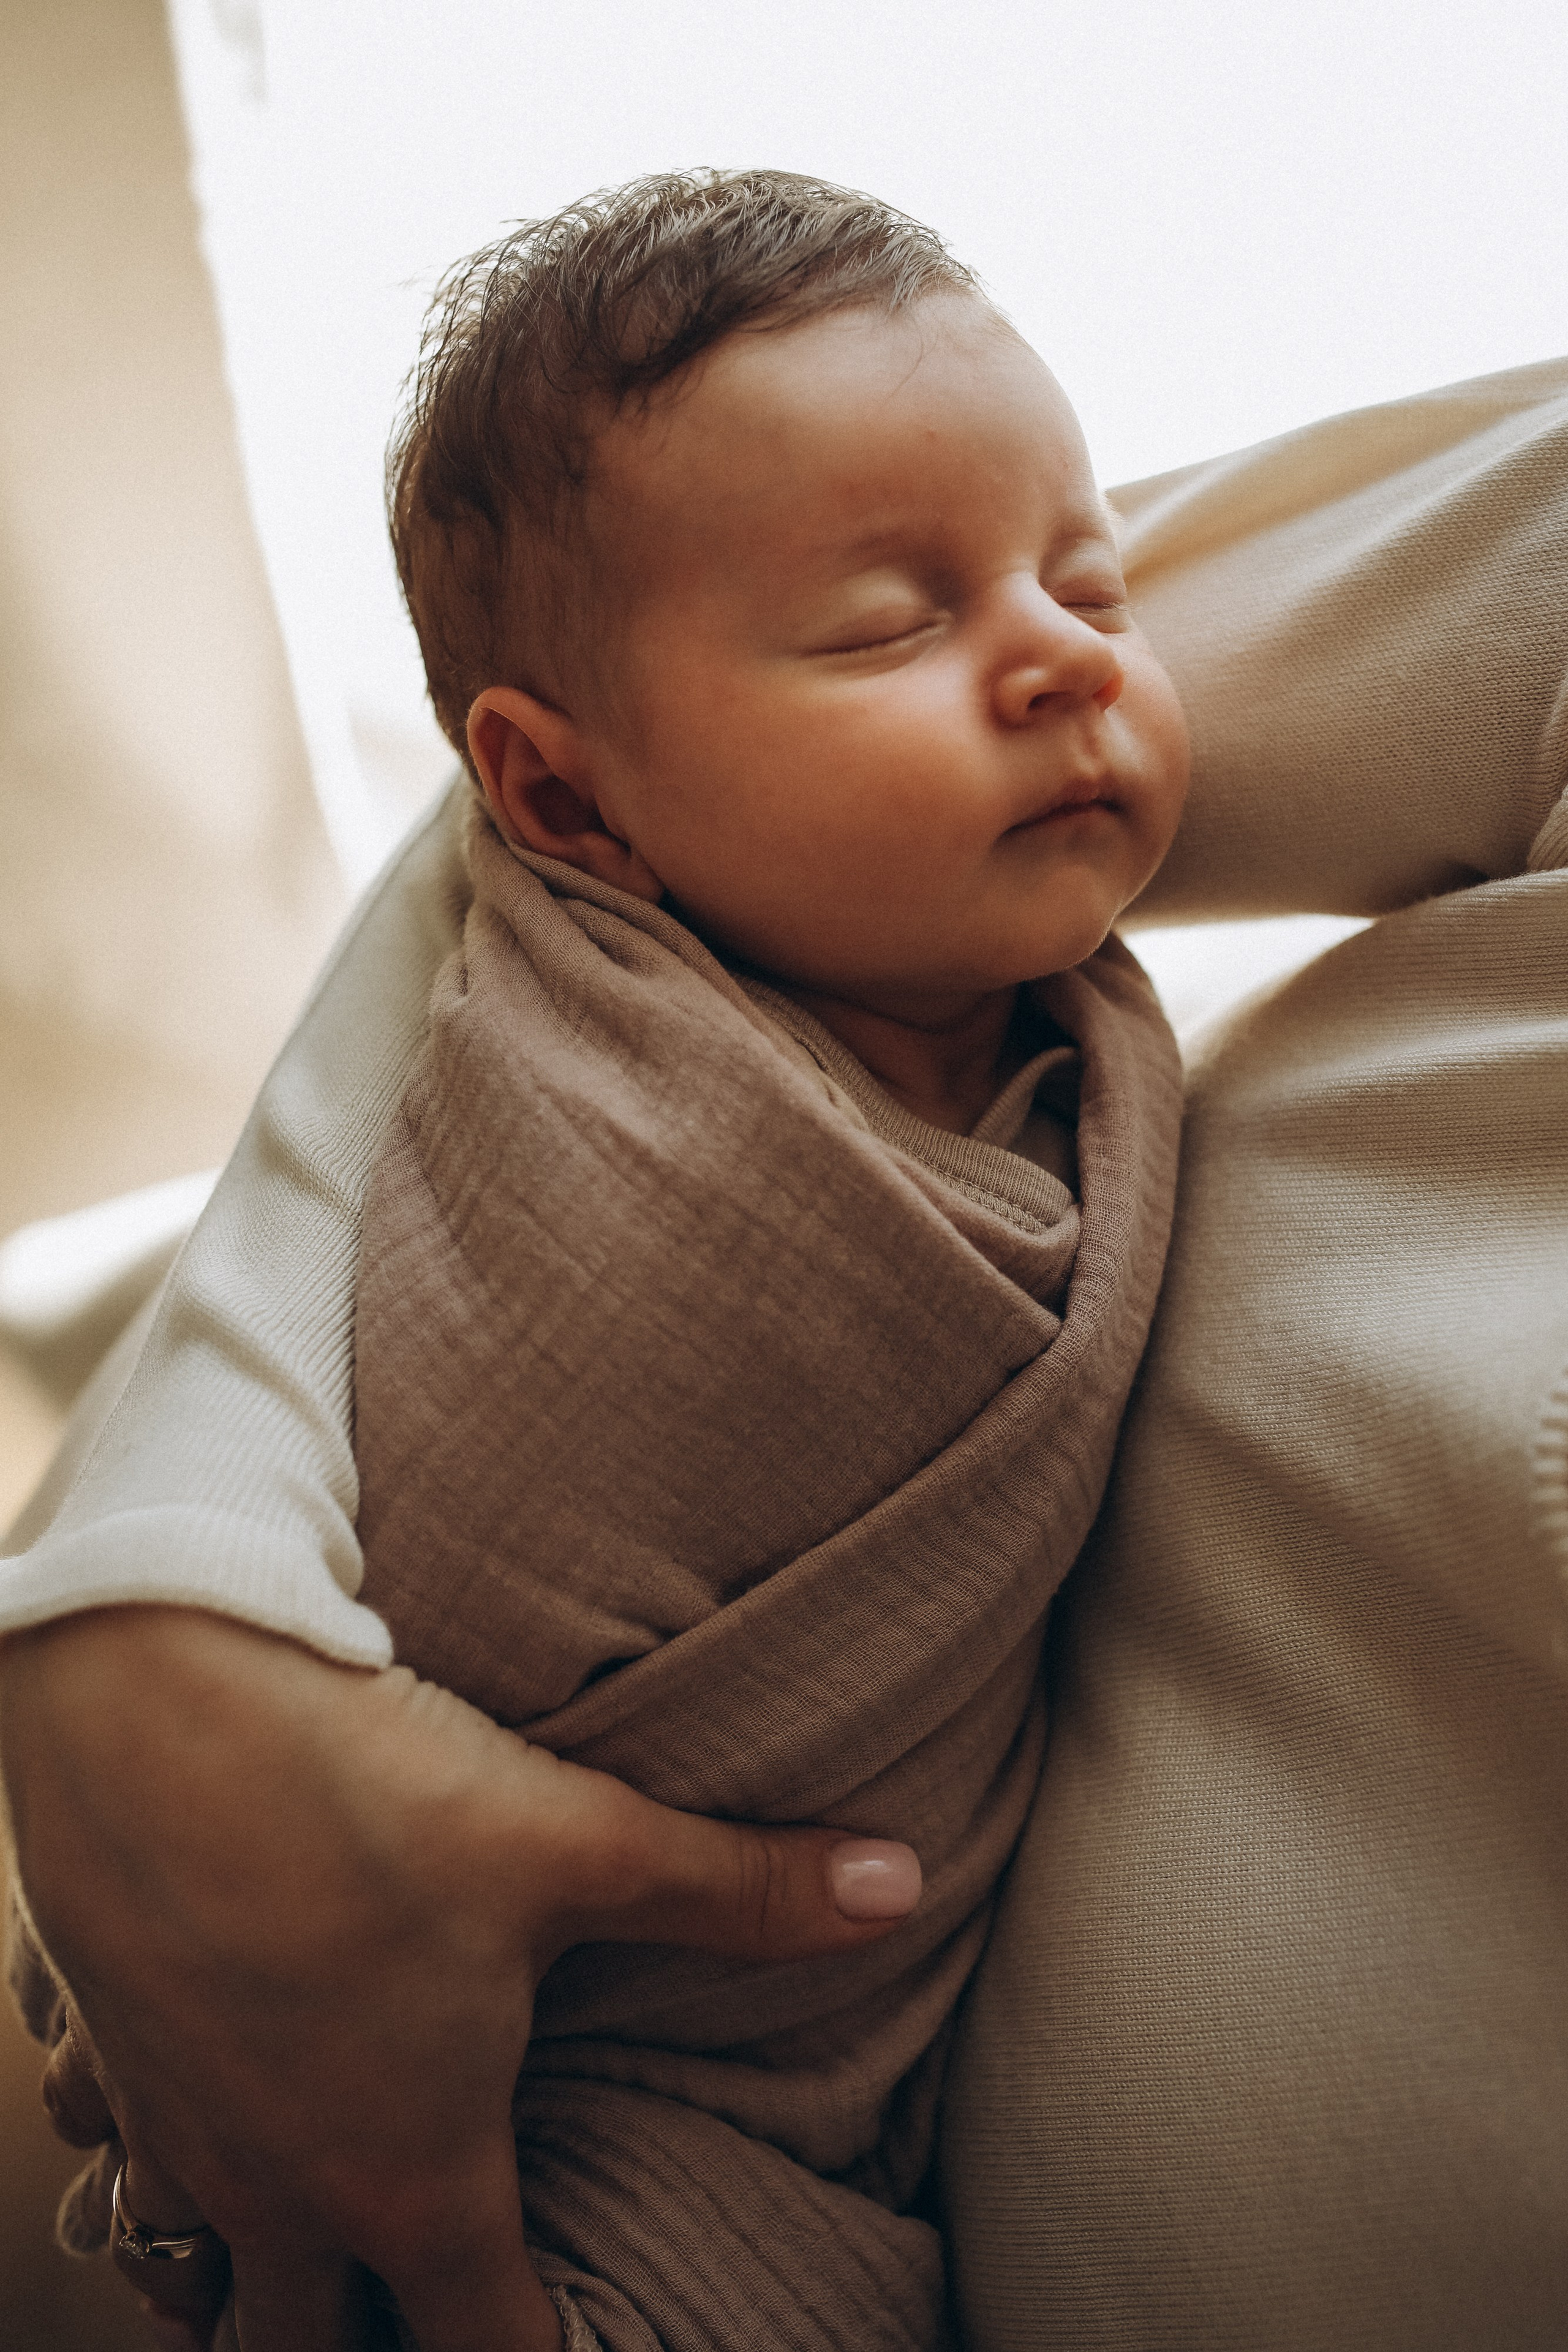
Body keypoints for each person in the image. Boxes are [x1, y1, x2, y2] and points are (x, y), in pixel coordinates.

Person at [3, 268, 1566, 2352]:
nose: (1070, 661)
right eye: (895, 625)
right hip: (586, 2076)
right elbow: (533, 804)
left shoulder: (1060, 1063)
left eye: (1090, 592)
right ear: (564, 805)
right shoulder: (598, 1008)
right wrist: (146, 1612)